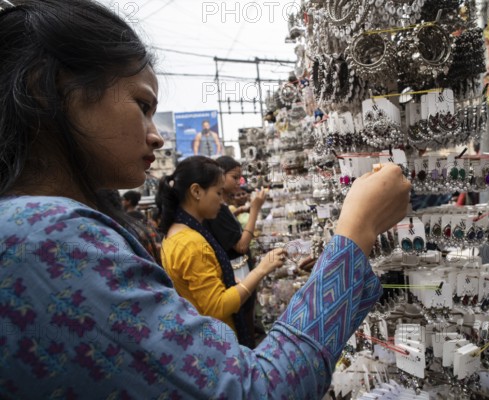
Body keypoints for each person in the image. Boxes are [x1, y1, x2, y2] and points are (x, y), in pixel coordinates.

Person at [0, 1, 412, 397]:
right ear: (48, 89)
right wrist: (356, 231)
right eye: (142, 105)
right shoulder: (48, 239)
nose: (156, 134)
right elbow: (256, 391)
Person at [156, 156, 284, 348]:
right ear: (197, 191)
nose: (221, 200)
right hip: (217, 341)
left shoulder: (176, 233)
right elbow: (218, 307)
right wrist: (261, 269)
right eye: (217, 192)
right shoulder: (191, 243)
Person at [203, 155, 267, 347]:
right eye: (234, 177)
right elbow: (241, 246)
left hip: (237, 270)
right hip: (237, 272)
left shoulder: (222, 209)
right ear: (220, 177)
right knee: (245, 320)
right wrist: (254, 209)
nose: (239, 181)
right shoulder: (218, 210)